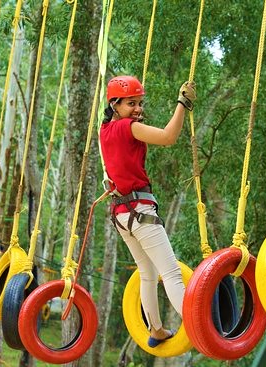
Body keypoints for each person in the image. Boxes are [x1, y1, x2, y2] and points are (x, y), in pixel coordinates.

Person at [99, 75, 196, 347]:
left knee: (148, 274)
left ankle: (156, 329)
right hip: (140, 211)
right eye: (131, 103)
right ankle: (199, 325)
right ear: (115, 104)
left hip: (122, 214)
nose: (138, 108)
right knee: (172, 274)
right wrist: (182, 104)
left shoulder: (105, 130)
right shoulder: (128, 127)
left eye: (140, 102)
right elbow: (168, 137)